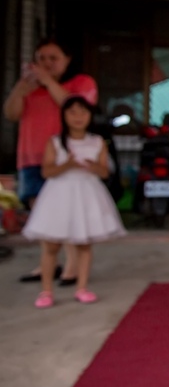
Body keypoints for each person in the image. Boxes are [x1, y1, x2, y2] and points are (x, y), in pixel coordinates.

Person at [3, 38, 97, 286]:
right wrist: (21, 89)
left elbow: (74, 107)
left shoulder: (81, 83)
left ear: (67, 60)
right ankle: (48, 263)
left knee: (66, 212)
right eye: (41, 58)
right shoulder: (31, 88)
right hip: (30, 156)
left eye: (53, 58)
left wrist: (47, 82)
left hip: (65, 157)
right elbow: (11, 114)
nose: (46, 63)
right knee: (41, 213)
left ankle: (72, 266)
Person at [22, 96, 126, 308]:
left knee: (84, 244)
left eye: (83, 112)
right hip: (59, 194)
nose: (78, 117)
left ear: (90, 116)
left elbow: (105, 171)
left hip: (87, 193)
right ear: (64, 116)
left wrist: (92, 167)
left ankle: (82, 287)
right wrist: (67, 165)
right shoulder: (55, 141)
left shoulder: (97, 142)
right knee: (51, 245)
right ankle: (46, 291)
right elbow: (47, 171)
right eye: (72, 112)